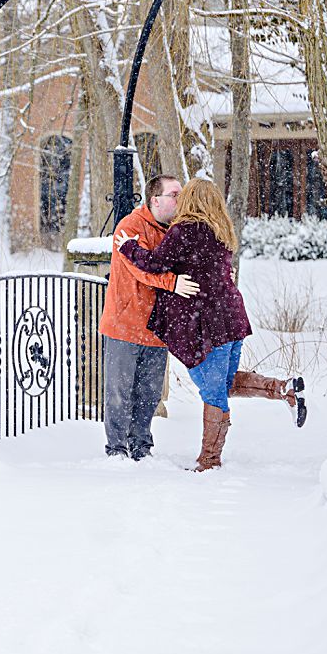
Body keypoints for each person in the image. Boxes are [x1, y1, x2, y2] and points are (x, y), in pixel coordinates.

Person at [115, 177, 305, 473]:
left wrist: (129, 248)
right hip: (232, 320)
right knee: (224, 384)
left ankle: (209, 461)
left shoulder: (185, 231)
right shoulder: (221, 231)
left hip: (208, 325)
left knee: (213, 392)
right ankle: (284, 390)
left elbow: (154, 263)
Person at [97, 175, 199, 460]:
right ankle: (116, 449)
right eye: (175, 194)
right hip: (124, 326)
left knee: (149, 395)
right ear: (156, 200)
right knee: (119, 393)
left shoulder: (178, 230)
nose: (181, 200)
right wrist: (173, 282)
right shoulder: (129, 227)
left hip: (157, 329)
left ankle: (141, 446)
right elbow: (140, 268)